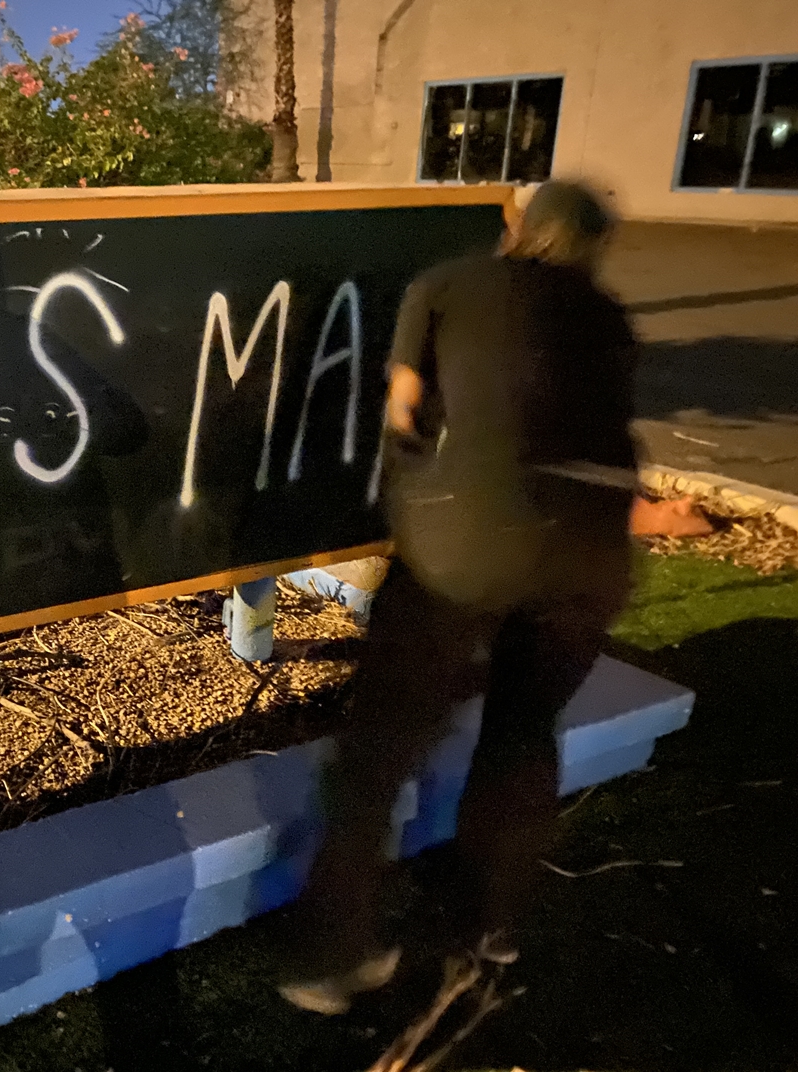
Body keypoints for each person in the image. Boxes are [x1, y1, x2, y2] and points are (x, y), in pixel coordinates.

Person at [277, 180, 642, 1015]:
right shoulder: (608, 316)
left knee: (380, 747)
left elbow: (405, 413)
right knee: (523, 734)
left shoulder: (446, 284)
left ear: (521, 228)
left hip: (468, 544)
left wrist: (418, 494)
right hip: (590, 554)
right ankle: (489, 923)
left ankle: (329, 954)